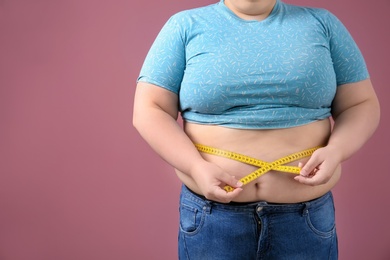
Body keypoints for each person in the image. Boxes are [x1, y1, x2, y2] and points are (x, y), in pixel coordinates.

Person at [133, 0, 380, 259]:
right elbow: (150, 110)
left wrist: (337, 150)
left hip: (306, 220)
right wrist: (196, 166)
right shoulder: (184, 26)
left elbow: (360, 103)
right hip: (212, 218)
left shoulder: (322, 24)